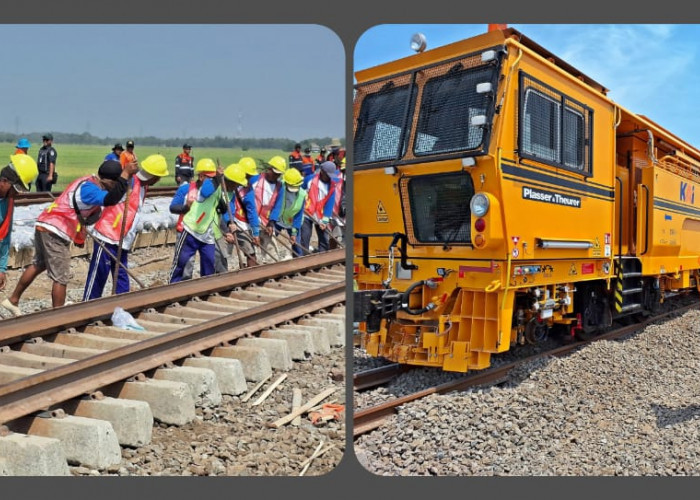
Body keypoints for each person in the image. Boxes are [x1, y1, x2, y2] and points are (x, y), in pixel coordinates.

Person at [2, 159, 139, 316]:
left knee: (39, 264)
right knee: (61, 277)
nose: (115, 188)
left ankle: (13, 300)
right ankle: (58, 317)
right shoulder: (90, 190)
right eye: (115, 184)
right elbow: (111, 199)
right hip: (56, 230)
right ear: (108, 181)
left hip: (45, 224)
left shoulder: (87, 181)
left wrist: (79, 235)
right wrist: (126, 174)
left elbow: (78, 210)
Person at [83, 155, 169, 301]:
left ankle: (121, 305)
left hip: (122, 239)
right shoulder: (129, 183)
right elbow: (110, 198)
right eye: (158, 177)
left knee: (121, 276)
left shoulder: (143, 186)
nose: (159, 181)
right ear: (153, 177)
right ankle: (86, 308)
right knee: (98, 275)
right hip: (107, 235)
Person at [168, 158, 225, 283]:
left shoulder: (215, 188)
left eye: (212, 177)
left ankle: (205, 289)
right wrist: (185, 207)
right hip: (189, 230)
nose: (211, 180)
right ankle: (173, 287)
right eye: (209, 177)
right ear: (201, 176)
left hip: (207, 233)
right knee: (183, 264)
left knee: (209, 263)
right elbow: (173, 207)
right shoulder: (187, 189)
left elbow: (222, 207)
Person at [0, 156, 39, 293]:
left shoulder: (7, 202)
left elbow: (4, 238)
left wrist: (2, 269)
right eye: (15, 189)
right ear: (4, 182)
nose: (16, 194)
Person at [221, 163, 259, 269]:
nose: (237, 186)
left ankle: (250, 274)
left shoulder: (233, 192)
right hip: (217, 226)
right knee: (221, 254)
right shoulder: (217, 190)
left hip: (234, 223)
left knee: (249, 250)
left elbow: (231, 209)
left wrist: (229, 222)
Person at [252, 156, 286, 261]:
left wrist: (271, 222)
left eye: (278, 174)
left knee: (271, 253)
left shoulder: (280, 187)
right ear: (269, 169)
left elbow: (277, 206)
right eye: (274, 173)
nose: (276, 176)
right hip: (251, 222)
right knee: (252, 252)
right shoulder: (255, 180)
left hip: (266, 223)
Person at [300, 161, 337, 254]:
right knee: (305, 237)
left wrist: (325, 220)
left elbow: (330, 203)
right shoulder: (309, 179)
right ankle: (304, 258)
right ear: (322, 171)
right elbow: (300, 193)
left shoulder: (332, 185)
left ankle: (323, 259)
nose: (329, 177)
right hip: (307, 213)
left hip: (321, 215)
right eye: (327, 175)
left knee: (324, 239)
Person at [272, 168, 307, 257]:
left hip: (292, 222)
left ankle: (299, 264)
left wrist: (294, 233)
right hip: (276, 220)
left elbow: (298, 216)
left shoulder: (302, 195)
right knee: (270, 241)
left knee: (296, 245)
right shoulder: (279, 187)